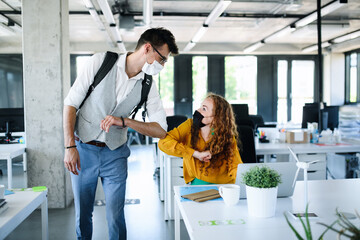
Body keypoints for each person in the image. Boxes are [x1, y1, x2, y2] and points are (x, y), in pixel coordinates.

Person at [63, 27, 178, 240]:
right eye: (162, 59)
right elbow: (70, 104)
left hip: (115, 154)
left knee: (116, 216)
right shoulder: (101, 62)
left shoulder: (147, 85)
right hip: (83, 149)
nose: (162, 66)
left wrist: (125, 121)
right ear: (147, 48)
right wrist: (70, 146)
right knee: (82, 215)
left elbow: (161, 131)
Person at [158, 93, 242, 185]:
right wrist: (195, 154)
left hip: (224, 185)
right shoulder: (189, 126)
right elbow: (163, 143)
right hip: (198, 183)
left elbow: (235, 166)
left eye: (204, 109)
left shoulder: (225, 134)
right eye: (201, 107)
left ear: (216, 118)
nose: (198, 111)